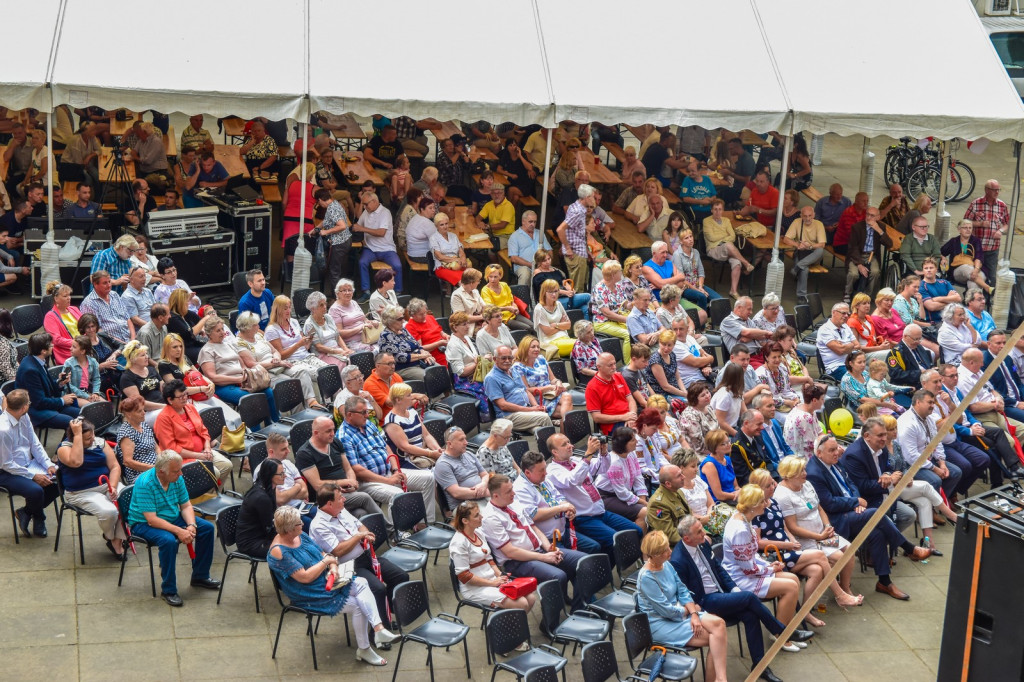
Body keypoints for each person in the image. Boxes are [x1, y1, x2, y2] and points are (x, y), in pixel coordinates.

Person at [669, 515, 809, 682]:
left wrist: (734, 590)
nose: (704, 533)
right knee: (749, 598)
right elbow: (684, 592)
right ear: (687, 538)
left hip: (721, 594)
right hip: (705, 601)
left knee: (750, 616)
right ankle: (781, 631)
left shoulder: (703, 543)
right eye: (699, 531)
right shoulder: (678, 559)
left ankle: (760, 666)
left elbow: (719, 570)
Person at [267, 506, 399, 666]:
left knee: (363, 583)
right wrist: (326, 563)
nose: (302, 523)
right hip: (309, 593)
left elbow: (323, 553)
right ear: (288, 529)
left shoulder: (299, 535)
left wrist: (333, 567)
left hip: (324, 579)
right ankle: (364, 649)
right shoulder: (279, 552)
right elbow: (305, 577)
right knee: (358, 605)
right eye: (298, 523)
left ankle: (378, 630)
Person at [806, 434, 931, 600]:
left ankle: (884, 582)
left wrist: (856, 503)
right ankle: (908, 548)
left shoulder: (835, 462)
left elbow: (851, 484)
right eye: (832, 450)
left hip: (852, 510)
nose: (837, 452)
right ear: (819, 453)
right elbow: (829, 503)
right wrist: (855, 502)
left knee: (876, 534)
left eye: (837, 448)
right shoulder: (814, 472)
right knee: (874, 512)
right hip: (836, 519)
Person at [310, 482, 410, 630]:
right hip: (349, 565)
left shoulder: (340, 510)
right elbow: (338, 550)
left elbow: (359, 525)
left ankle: (386, 611)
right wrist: (359, 537)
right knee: (378, 589)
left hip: (366, 556)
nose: (344, 499)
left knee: (401, 576)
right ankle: (381, 632)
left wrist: (365, 533)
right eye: (340, 498)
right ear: (329, 504)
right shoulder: (318, 525)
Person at [481, 474, 589, 611]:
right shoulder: (490, 517)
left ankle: (578, 610)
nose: (513, 493)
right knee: (558, 576)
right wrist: (544, 557)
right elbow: (510, 552)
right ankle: (549, 625)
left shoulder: (514, 502)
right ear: (495, 496)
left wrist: (548, 547)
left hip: (538, 551)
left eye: (512, 489)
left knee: (584, 561)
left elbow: (533, 527)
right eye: (508, 492)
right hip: (517, 562)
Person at [127, 452, 219, 607]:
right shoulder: (145, 483)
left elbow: (186, 505)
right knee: (168, 541)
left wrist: (191, 525)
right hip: (143, 523)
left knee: (207, 529)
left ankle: (200, 576)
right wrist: (179, 531)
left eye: (180, 469)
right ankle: (168, 590)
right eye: (176, 471)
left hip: (170, 515)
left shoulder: (177, 477)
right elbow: (152, 519)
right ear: (161, 472)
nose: (181, 473)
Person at [636, 531, 729, 682]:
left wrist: (693, 614)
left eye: (668, 547)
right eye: (665, 550)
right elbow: (667, 611)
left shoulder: (666, 564)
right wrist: (691, 610)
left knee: (719, 624)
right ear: (654, 555)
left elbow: (682, 589)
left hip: (680, 613)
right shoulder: (646, 578)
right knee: (717, 637)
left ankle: (720, 679)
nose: (670, 551)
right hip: (660, 624)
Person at [339, 395, 437, 524]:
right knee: (397, 494)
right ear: (350, 415)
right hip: (368, 482)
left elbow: (386, 447)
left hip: (389, 473)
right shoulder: (344, 436)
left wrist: (396, 470)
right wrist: (388, 480)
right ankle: (398, 534)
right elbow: (357, 470)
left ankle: (425, 523)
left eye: (367, 411)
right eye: (363, 412)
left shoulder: (368, 424)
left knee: (428, 478)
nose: (367, 415)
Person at [773, 455, 859, 599]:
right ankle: (838, 594)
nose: (805, 474)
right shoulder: (783, 496)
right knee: (838, 557)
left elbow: (819, 508)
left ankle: (845, 587)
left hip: (822, 533)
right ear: (789, 475)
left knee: (850, 551)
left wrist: (827, 526)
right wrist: (819, 536)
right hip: (807, 540)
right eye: (800, 471)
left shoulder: (806, 484)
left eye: (804, 470)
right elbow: (792, 527)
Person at [880, 415, 959, 553]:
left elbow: (904, 465)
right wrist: (895, 477)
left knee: (924, 501)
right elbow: (882, 472)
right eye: (891, 429)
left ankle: (929, 543)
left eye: (895, 428)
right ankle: (951, 515)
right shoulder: (881, 450)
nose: (895, 432)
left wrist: (907, 476)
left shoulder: (896, 445)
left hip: (903, 484)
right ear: (884, 432)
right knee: (926, 486)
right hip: (890, 488)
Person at [449, 499, 536, 615]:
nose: (481, 517)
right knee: (522, 603)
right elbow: (464, 576)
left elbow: (488, 557)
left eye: (479, 513)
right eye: (476, 516)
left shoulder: (478, 532)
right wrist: (493, 583)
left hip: (492, 580)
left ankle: (510, 627)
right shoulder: (459, 543)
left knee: (531, 597)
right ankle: (507, 629)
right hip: (474, 589)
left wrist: (500, 575)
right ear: (465, 521)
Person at [0, 388, 61, 539]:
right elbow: (7, 464)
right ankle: (40, 518)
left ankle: (26, 512)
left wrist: (48, 465)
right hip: (6, 472)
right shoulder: (3, 429)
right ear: (24, 406)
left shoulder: (24, 416)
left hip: (28, 464)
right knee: (36, 491)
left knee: (60, 478)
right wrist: (33, 476)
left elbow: (35, 444)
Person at [838, 417, 916, 532]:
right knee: (886, 526)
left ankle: (889, 541)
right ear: (867, 436)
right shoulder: (854, 455)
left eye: (885, 434)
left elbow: (888, 467)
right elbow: (863, 486)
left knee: (909, 515)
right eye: (880, 435)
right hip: (869, 502)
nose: (884, 439)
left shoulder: (881, 447)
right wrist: (890, 481)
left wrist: (886, 474)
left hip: (884, 496)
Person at [199, 317, 282, 425]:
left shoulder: (228, 344)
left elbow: (241, 364)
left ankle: (273, 423)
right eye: (218, 330)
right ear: (209, 333)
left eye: (222, 329)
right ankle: (254, 432)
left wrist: (247, 373)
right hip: (224, 386)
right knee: (250, 398)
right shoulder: (206, 350)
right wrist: (237, 379)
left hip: (242, 380)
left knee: (268, 392)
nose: (222, 332)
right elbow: (212, 377)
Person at [294, 417, 381, 518]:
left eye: (333, 429)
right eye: (328, 431)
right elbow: (317, 485)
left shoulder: (335, 442)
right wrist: (346, 482)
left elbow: (348, 468)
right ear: (316, 433)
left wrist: (352, 482)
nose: (333, 433)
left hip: (346, 492)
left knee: (361, 513)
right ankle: (392, 531)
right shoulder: (305, 453)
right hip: (327, 498)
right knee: (364, 498)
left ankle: (380, 532)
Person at [235, 312, 322, 412]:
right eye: (255, 325)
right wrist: (276, 363)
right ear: (247, 327)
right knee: (289, 384)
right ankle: (299, 414)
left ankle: (312, 402)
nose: (259, 327)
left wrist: (277, 358)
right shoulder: (239, 343)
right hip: (263, 372)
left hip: (277, 364)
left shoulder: (258, 335)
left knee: (302, 372)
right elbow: (252, 364)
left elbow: (275, 351)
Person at [152, 380, 233, 480]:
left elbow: (203, 431)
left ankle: (212, 493)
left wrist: (207, 448)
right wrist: (199, 455)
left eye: (185, 394)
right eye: (181, 396)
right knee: (214, 473)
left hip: (202, 451)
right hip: (182, 458)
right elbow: (171, 448)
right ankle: (206, 493)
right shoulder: (163, 418)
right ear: (170, 400)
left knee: (226, 465)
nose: (185, 398)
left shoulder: (190, 408)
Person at [17, 332, 80, 431]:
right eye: (51, 345)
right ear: (43, 351)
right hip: (35, 411)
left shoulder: (37, 360)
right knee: (71, 423)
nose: (53, 346)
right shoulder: (30, 370)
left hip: (47, 403)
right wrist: (62, 400)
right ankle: (65, 446)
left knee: (81, 414)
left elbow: (44, 387)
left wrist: (60, 382)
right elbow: (39, 402)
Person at [592, 427, 649, 530]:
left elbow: (638, 476)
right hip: (607, 497)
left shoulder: (631, 454)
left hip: (624, 494)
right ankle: (639, 543)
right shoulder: (615, 463)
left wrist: (642, 497)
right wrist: (643, 503)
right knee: (644, 511)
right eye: (633, 440)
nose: (637, 441)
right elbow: (621, 493)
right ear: (623, 444)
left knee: (655, 507)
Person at [511, 336, 573, 421]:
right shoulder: (518, 367)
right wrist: (548, 388)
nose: (537, 349)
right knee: (567, 409)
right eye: (533, 347)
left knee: (567, 398)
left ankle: (563, 430)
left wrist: (558, 383)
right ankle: (565, 430)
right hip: (538, 397)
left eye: (538, 347)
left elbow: (553, 379)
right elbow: (526, 390)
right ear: (525, 348)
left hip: (552, 392)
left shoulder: (541, 359)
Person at [383, 383, 442, 469]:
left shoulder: (412, 412)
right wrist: (430, 454)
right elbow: (405, 447)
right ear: (398, 400)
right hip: (406, 460)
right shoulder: (392, 420)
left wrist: (438, 450)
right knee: (435, 475)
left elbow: (426, 435)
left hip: (422, 454)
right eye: (409, 395)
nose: (412, 397)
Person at [354, 194, 402, 299]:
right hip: (370, 248)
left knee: (397, 266)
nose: (365, 207)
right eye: (364, 204)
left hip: (387, 249)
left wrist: (362, 229)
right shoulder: (366, 211)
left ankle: (397, 293)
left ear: (375, 201)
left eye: (366, 204)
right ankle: (365, 291)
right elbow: (358, 225)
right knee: (362, 262)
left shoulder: (385, 213)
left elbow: (381, 233)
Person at [844, 205, 893, 303]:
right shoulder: (857, 227)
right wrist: (859, 264)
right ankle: (847, 293)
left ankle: (866, 295)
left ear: (878, 217)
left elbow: (889, 244)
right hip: (857, 255)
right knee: (853, 274)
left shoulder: (881, 227)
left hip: (872, 255)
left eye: (872, 215)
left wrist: (879, 231)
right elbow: (853, 247)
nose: (869, 217)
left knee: (875, 272)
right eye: (867, 214)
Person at [556, 184, 599, 293]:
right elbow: (560, 229)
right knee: (577, 289)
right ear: (587, 197)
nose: (594, 200)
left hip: (580, 251)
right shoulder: (578, 211)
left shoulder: (575, 206)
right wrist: (568, 248)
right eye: (593, 197)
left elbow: (577, 232)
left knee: (580, 287)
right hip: (576, 254)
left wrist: (586, 250)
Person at [963, 179, 1009, 279]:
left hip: (993, 248)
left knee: (991, 277)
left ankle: (989, 294)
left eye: (998, 190)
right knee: (974, 275)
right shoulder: (976, 203)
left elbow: (1007, 223)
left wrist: (1000, 231)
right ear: (987, 190)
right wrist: (980, 223)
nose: (997, 192)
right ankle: (972, 293)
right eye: (994, 190)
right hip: (976, 248)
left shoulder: (1002, 206)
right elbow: (965, 222)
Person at [235, 459, 281, 558]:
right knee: (288, 550)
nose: (285, 476)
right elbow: (269, 527)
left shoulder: (269, 488)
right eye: (281, 474)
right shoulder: (261, 498)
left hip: (260, 536)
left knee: (297, 541)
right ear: (271, 475)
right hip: (251, 543)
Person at [783, 206, 827, 299]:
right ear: (801, 216)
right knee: (804, 269)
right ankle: (801, 296)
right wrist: (798, 245)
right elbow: (786, 239)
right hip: (801, 252)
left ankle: (797, 266)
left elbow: (822, 244)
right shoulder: (797, 222)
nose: (808, 218)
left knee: (820, 250)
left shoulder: (819, 224)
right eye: (805, 216)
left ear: (814, 215)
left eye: (810, 216)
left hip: (813, 253)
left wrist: (809, 246)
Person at [81, 270, 135, 345]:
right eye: (105, 283)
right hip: (110, 345)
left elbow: (128, 319)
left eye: (109, 282)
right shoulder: (89, 303)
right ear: (95, 284)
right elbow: (98, 332)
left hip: (128, 341)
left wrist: (132, 340)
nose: (109, 285)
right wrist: (123, 344)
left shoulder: (115, 295)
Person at [646, 464, 693, 546]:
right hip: (674, 547)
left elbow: (691, 518)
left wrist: (703, 533)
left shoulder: (678, 491)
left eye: (682, 473)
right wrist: (694, 539)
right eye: (679, 476)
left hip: (688, 537)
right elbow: (669, 534)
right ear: (668, 484)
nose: (683, 477)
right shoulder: (658, 504)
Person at [115, 395, 158, 485]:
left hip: (156, 467)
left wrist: (163, 461)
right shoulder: (126, 433)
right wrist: (154, 468)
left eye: (143, 410)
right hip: (140, 474)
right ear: (129, 414)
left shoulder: (143, 424)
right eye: (139, 411)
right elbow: (128, 462)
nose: (144, 413)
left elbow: (156, 447)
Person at [329, 279, 379, 354]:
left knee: (386, 344)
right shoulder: (334, 309)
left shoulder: (354, 303)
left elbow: (364, 320)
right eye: (344, 290)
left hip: (368, 336)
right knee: (374, 352)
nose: (347, 293)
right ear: (338, 293)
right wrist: (360, 328)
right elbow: (339, 333)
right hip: (351, 342)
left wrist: (372, 322)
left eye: (350, 290)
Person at [941, 220, 991, 294]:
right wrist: (943, 258)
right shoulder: (954, 241)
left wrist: (976, 270)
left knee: (973, 283)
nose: (968, 230)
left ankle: (971, 302)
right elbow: (941, 252)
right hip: (959, 271)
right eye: (965, 228)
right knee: (965, 267)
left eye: (970, 228)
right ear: (959, 229)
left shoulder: (976, 241)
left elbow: (979, 256)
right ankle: (987, 287)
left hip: (977, 270)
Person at [730, 410, 774, 485]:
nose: (762, 427)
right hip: (754, 486)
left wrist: (773, 478)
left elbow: (766, 460)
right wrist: (767, 483)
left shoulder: (757, 436)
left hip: (766, 480)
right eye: (759, 424)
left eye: (762, 424)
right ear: (746, 423)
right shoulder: (736, 446)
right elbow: (743, 477)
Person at [816, 302, 857, 381]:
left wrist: (845, 346)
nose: (846, 316)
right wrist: (851, 345)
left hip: (850, 362)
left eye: (848, 314)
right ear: (834, 313)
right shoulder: (825, 329)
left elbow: (858, 345)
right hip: (836, 367)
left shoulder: (845, 326)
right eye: (843, 313)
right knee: (857, 380)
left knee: (871, 374)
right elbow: (840, 350)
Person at [508, 212, 551, 287]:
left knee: (560, 273)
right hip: (523, 266)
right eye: (530, 222)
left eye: (535, 222)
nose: (533, 224)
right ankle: (522, 298)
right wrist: (531, 265)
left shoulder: (540, 233)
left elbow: (549, 250)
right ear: (523, 221)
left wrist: (544, 263)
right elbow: (514, 258)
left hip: (542, 265)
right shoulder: (515, 236)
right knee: (525, 274)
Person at [919, 257, 961, 326]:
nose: (928, 270)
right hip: (934, 323)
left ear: (936, 269)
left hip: (951, 320)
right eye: (926, 268)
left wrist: (938, 299)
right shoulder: (921, 286)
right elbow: (931, 307)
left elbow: (958, 299)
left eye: (931, 268)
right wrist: (950, 300)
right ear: (923, 270)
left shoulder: (945, 282)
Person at [700, 429, 738, 504]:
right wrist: (738, 495)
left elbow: (736, 486)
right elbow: (719, 495)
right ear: (714, 448)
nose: (729, 444)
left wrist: (742, 492)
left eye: (728, 441)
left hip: (733, 497)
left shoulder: (727, 459)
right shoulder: (710, 464)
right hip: (720, 502)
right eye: (724, 444)